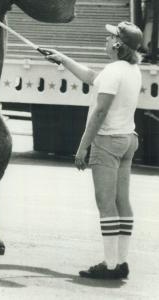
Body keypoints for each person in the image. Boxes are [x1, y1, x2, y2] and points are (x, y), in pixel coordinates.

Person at [46, 21, 143, 280]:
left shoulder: (114, 71)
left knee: (105, 203)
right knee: (122, 202)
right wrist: (63, 59)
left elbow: (100, 112)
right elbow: (91, 78)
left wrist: (82, 147)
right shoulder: (132, 69)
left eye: (110, 37)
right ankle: (121, 262)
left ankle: (110, 266)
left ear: (118, 45)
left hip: (108, 142)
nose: (106, 39)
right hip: (127, 139)